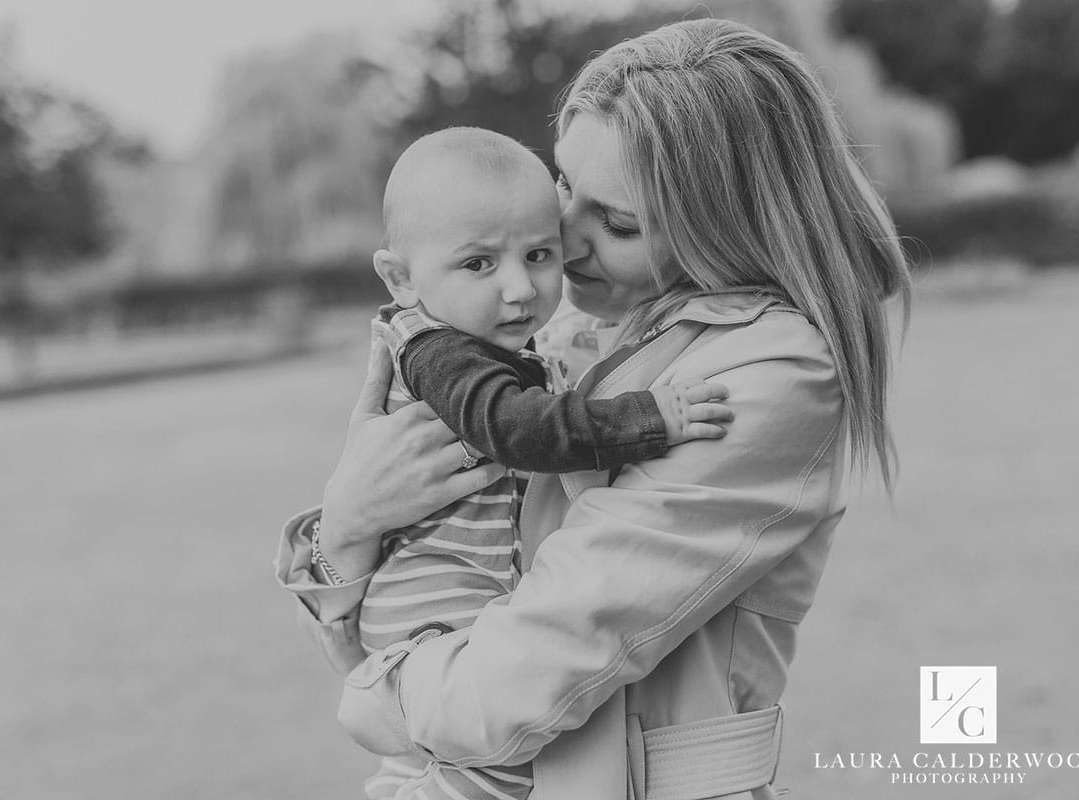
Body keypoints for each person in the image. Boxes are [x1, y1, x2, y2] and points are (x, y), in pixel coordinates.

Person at [275, 17, 911, 800]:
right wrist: (344, 525)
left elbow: (517, 680)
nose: (563, 241)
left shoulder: (772, 370)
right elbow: (394, 594)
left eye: (616, 223)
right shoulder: (559, 334)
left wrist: (373, 693)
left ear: (725, 226)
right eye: (566, 186)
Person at [351, 126, 730, 800]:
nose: (520, 288)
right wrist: (649, 417)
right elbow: (515, 428)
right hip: (438, 614)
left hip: (458, 612)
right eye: (478, 265)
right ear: (400, 278)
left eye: (537, 254)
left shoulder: (480, 339)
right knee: (496, 766)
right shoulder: (440, 354)